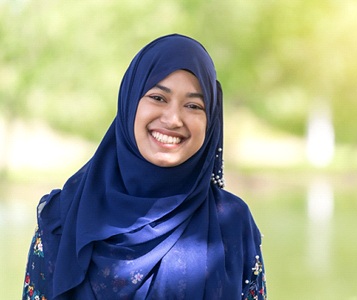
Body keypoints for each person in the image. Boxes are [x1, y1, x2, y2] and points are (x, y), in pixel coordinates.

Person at [22, 34, 267, 299]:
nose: (173, 119)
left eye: (193, 105)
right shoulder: (62, 218)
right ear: (129, 102)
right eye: (158, 98)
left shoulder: (230, 222)